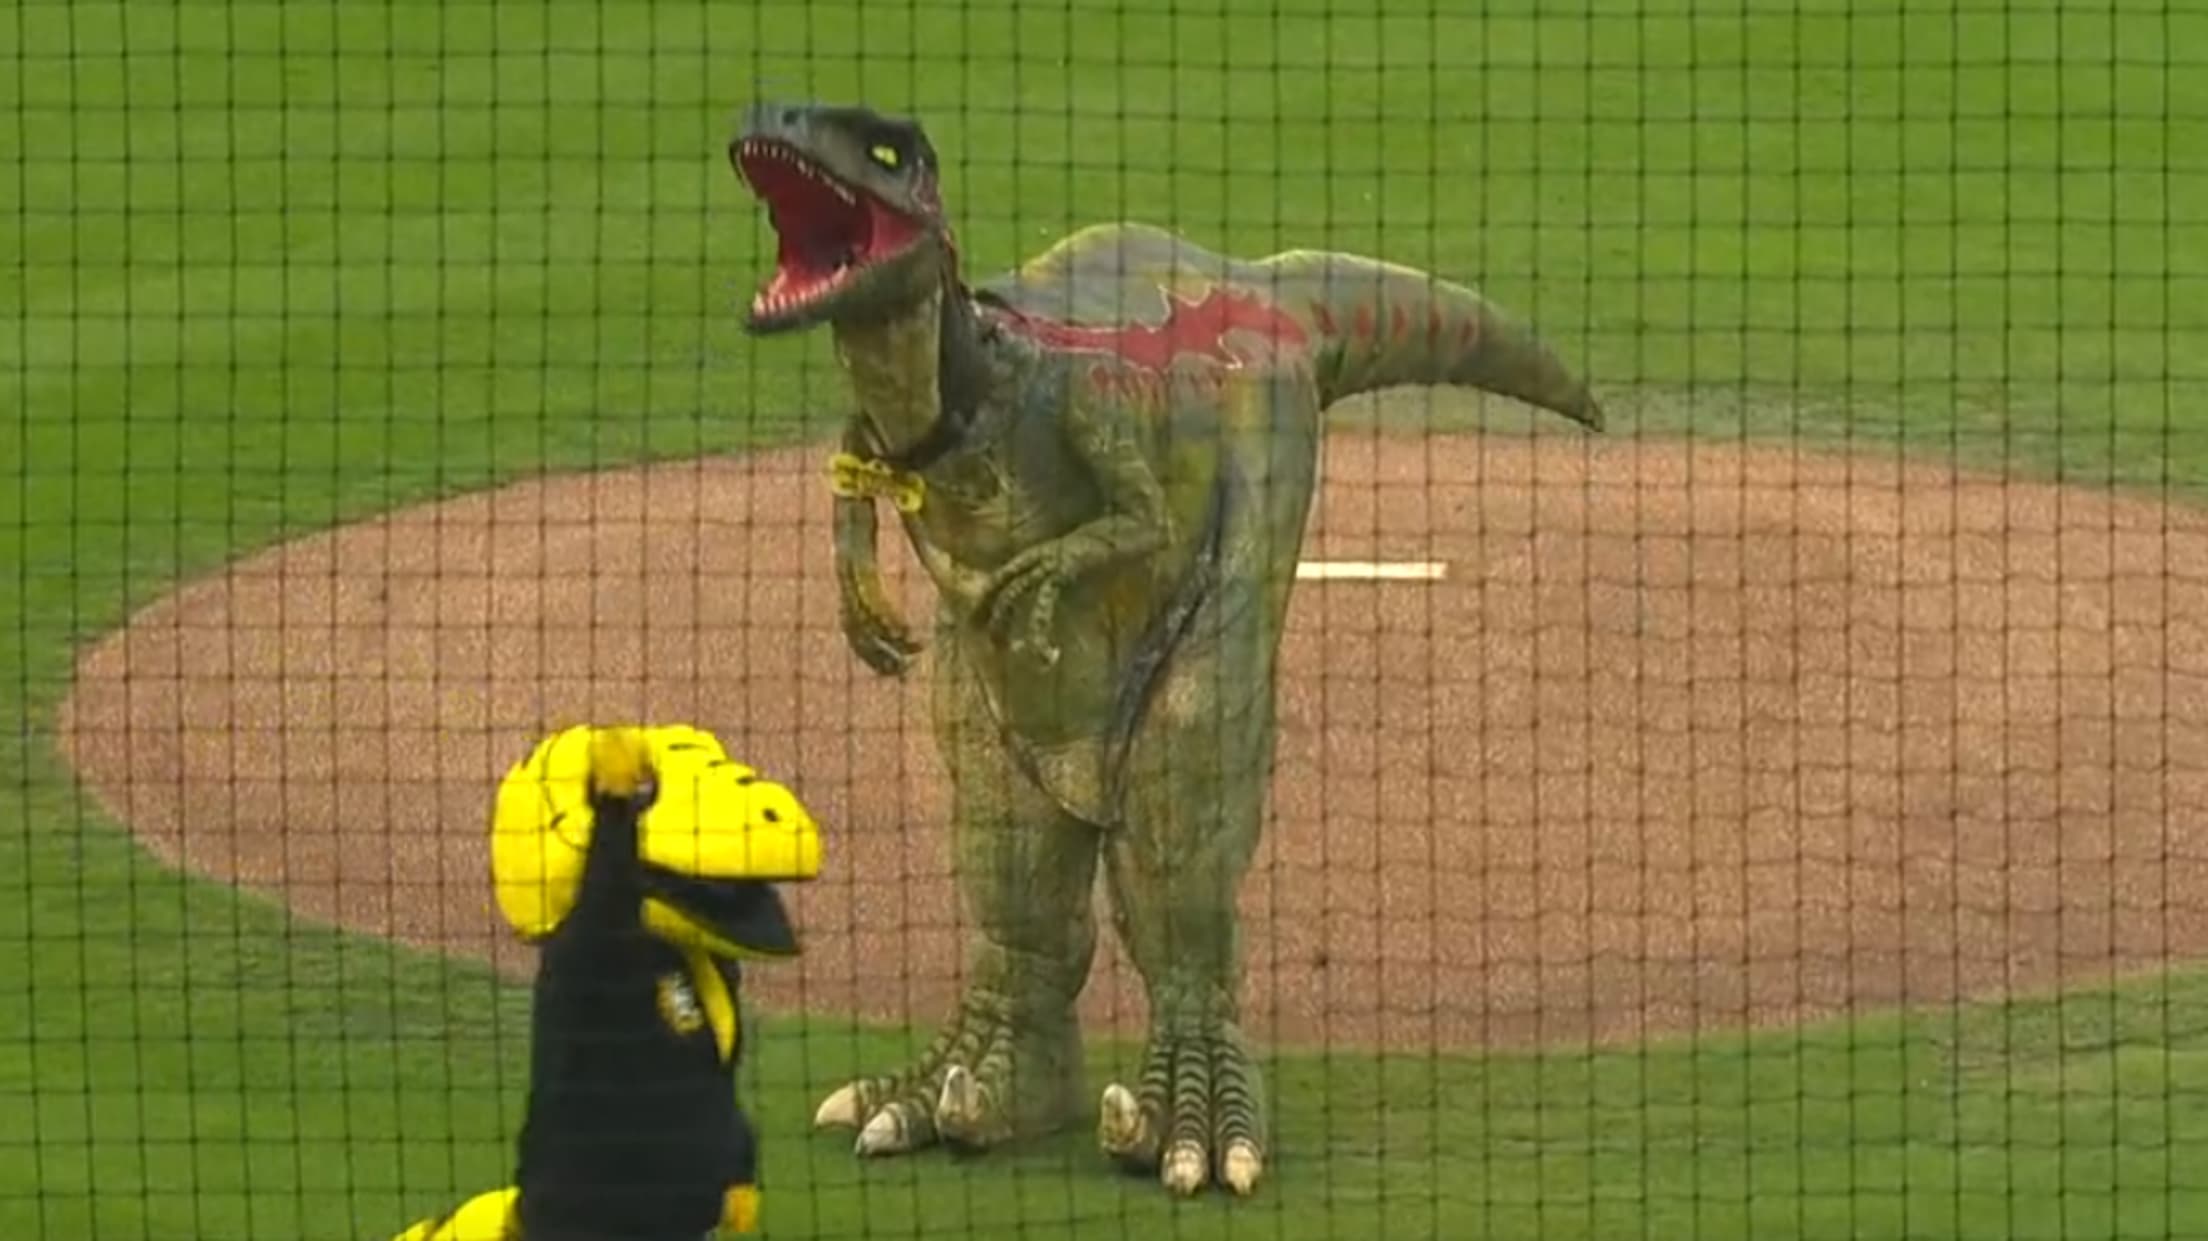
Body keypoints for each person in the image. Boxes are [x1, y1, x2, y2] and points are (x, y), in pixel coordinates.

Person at [390, 723, 823, 1241]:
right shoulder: (587, 971)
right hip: (581, 1220)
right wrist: (615, 813)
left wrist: (734, 1170)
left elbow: (706, 1084)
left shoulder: (694, 966)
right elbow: (602, 913)